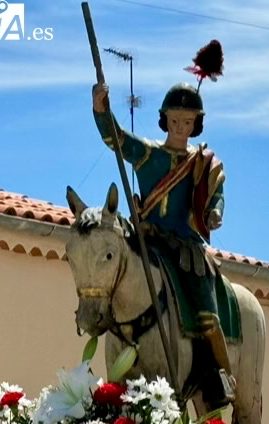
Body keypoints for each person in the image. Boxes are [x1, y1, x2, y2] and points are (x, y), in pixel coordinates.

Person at [92, 81, 233, 406]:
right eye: (175, 120)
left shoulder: (203, 164)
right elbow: (116, 139)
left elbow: (217, 195)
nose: (181, 127)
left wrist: (214, 213)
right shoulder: (147, 154)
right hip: (148, 241)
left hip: (186, 248)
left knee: (206, 311)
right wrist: (101, 110)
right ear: (165, 120)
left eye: (187, 122)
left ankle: (218, 376)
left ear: (196, 123)